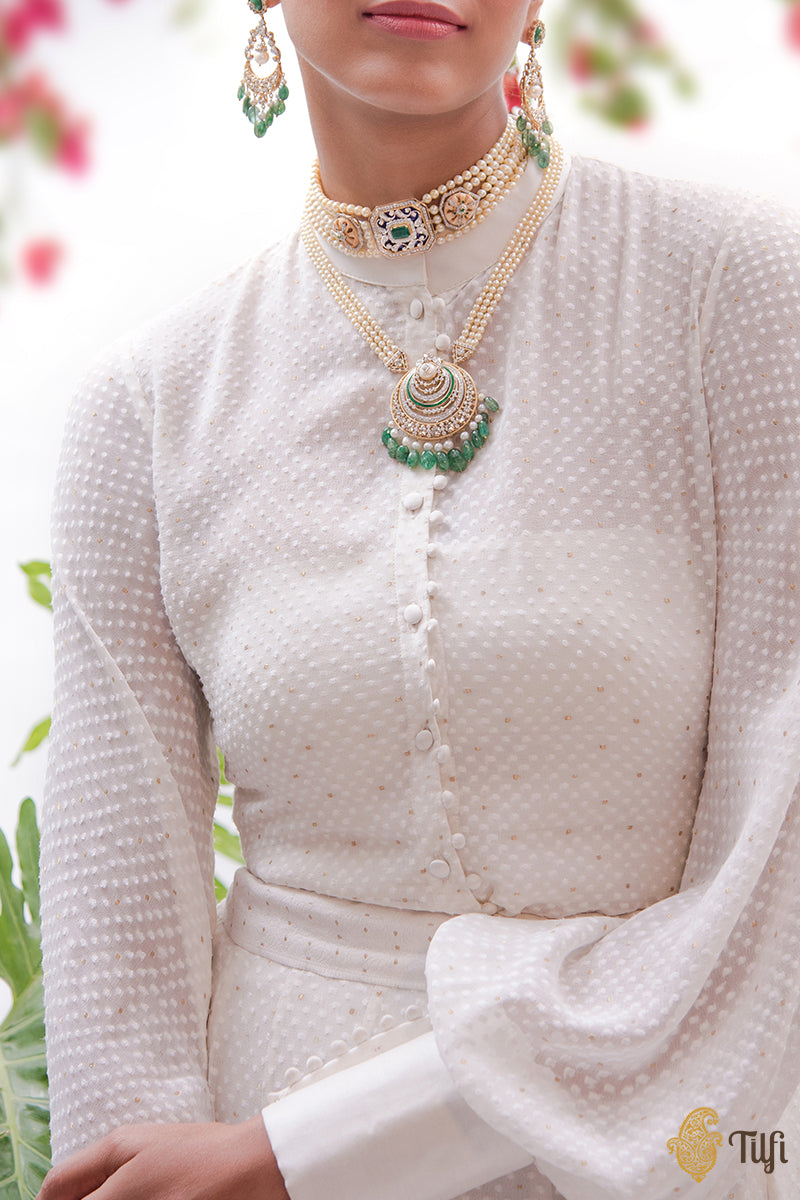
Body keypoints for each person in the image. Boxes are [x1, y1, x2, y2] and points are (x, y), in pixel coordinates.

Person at [36, 1, 800, 1198]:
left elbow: (780, 875)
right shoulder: (143, 410)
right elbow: (115, 961)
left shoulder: (731, 296)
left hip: (653, 1158)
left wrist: (313, 1151)